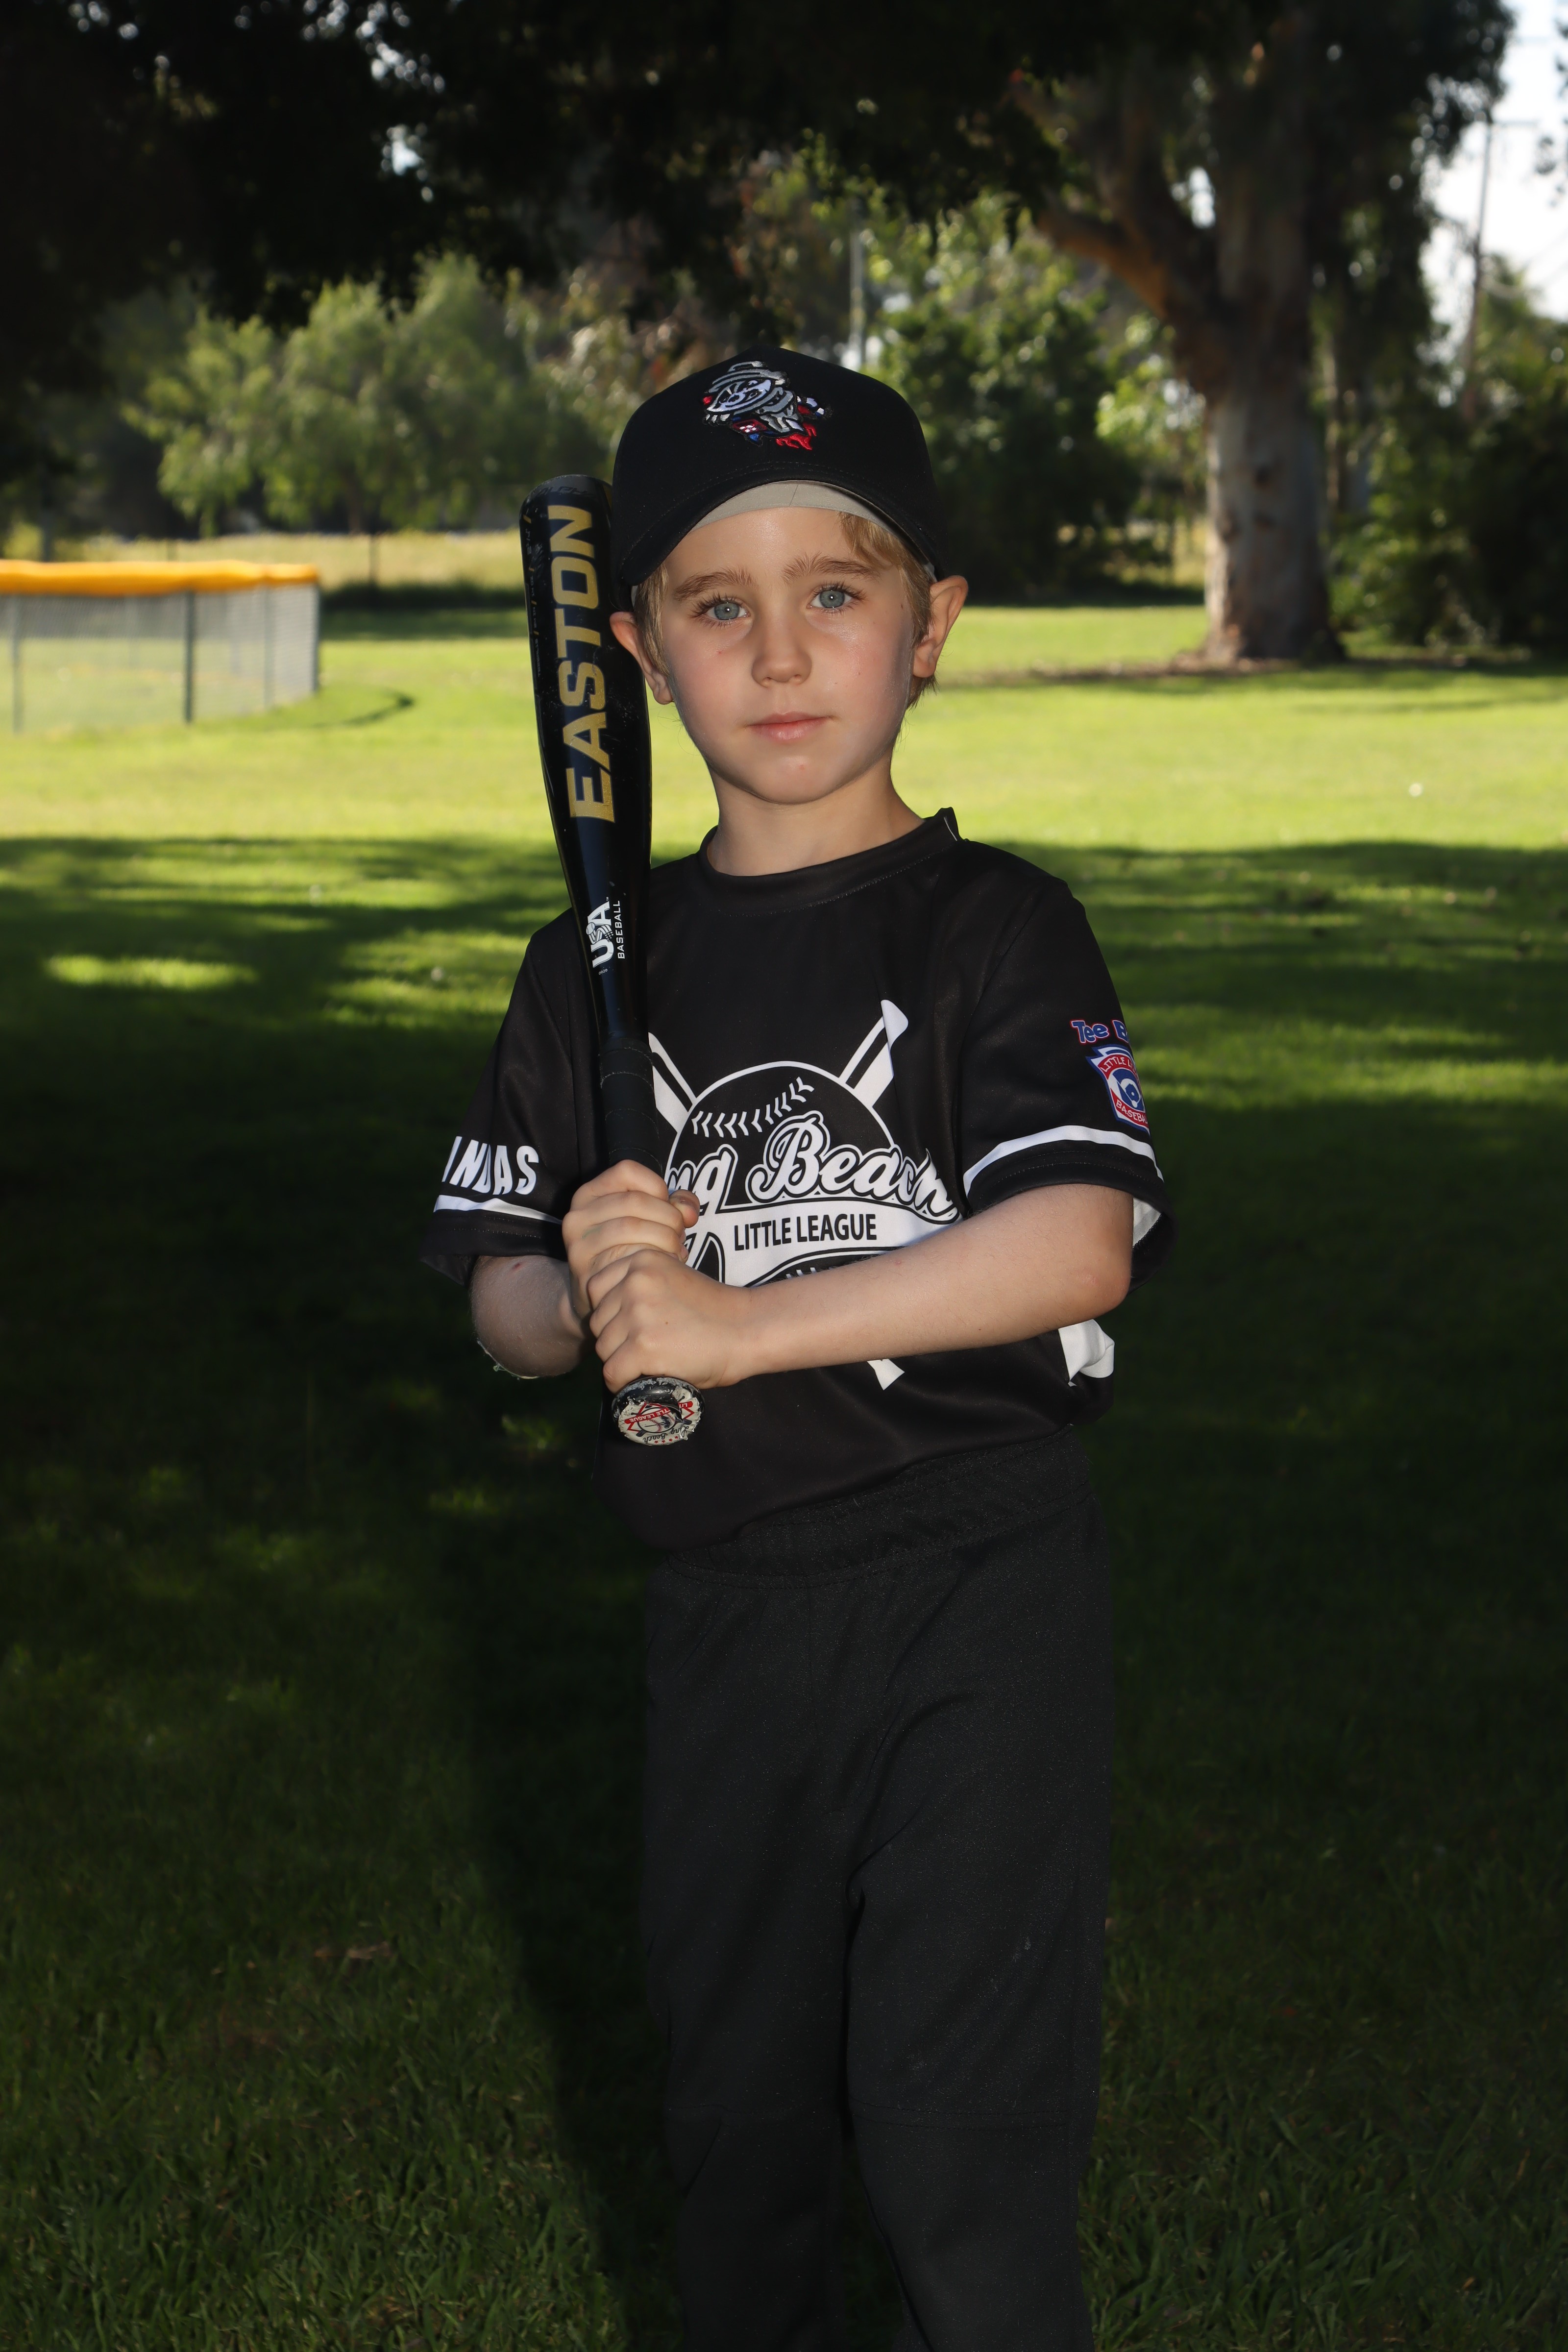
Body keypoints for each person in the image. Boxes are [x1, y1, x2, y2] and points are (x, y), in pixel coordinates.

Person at [420, 345, 1175, 2352]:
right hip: (725, 1617)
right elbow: (503, 1310)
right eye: (714, 604)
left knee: (952, 2145)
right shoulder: (590, 972)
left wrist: (740, 1327)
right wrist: (583, 1288)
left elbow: (1075, 1242)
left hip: (974, 1584)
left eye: (833, 591)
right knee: (736, 2143)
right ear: (635, 657)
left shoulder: (992, 929)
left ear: (931, 625)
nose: (776, 653)